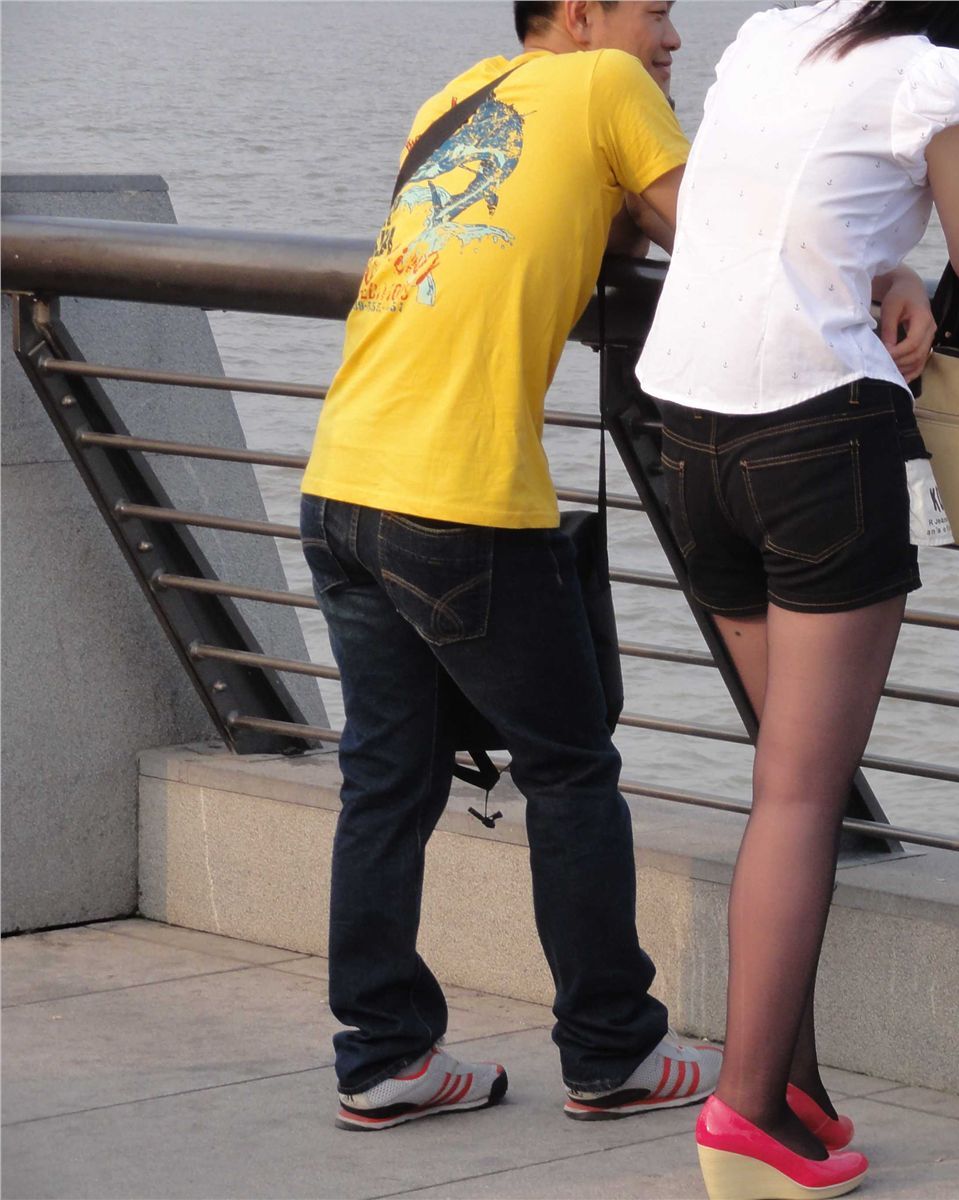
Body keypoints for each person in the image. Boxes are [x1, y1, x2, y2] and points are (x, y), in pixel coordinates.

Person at [299, 0, 723, 1132]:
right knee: (571, 771)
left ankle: (384, 1054)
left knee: (385, 779)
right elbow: (722, 241)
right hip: (459, 501)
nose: (675, 38)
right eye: (657, 13)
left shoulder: (453, 100)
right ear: (583, 15)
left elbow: (572, 233)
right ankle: (613, 1047)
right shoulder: (606, 89)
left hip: (340, 483)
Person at [636, 1, 959, 1194]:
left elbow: (771, 211)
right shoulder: (940, 79)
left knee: (780, 786)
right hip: (816, 436)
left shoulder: (769, 39)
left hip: (688, 431)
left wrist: (883, 258)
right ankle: (745, 1114)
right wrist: (950, 236)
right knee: (802, 796)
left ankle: (793, 1089)